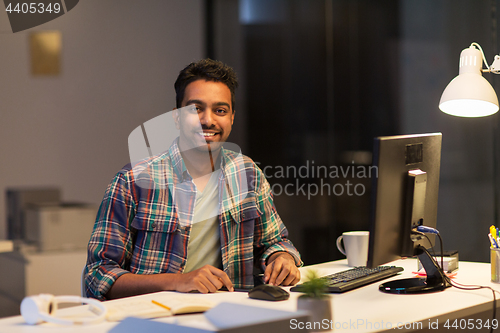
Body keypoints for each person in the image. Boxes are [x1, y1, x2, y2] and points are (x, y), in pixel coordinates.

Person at [85, 59, 302, 300]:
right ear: (177, 118)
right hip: (155, 319)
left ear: (231, 118)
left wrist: (282, 258)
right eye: (196, 109)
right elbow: (98, 275)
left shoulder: (247, 173)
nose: (208, 120)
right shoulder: (132, 181)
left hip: (232, 313)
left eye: (220, 110)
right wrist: (178, 281)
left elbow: (275, 242)